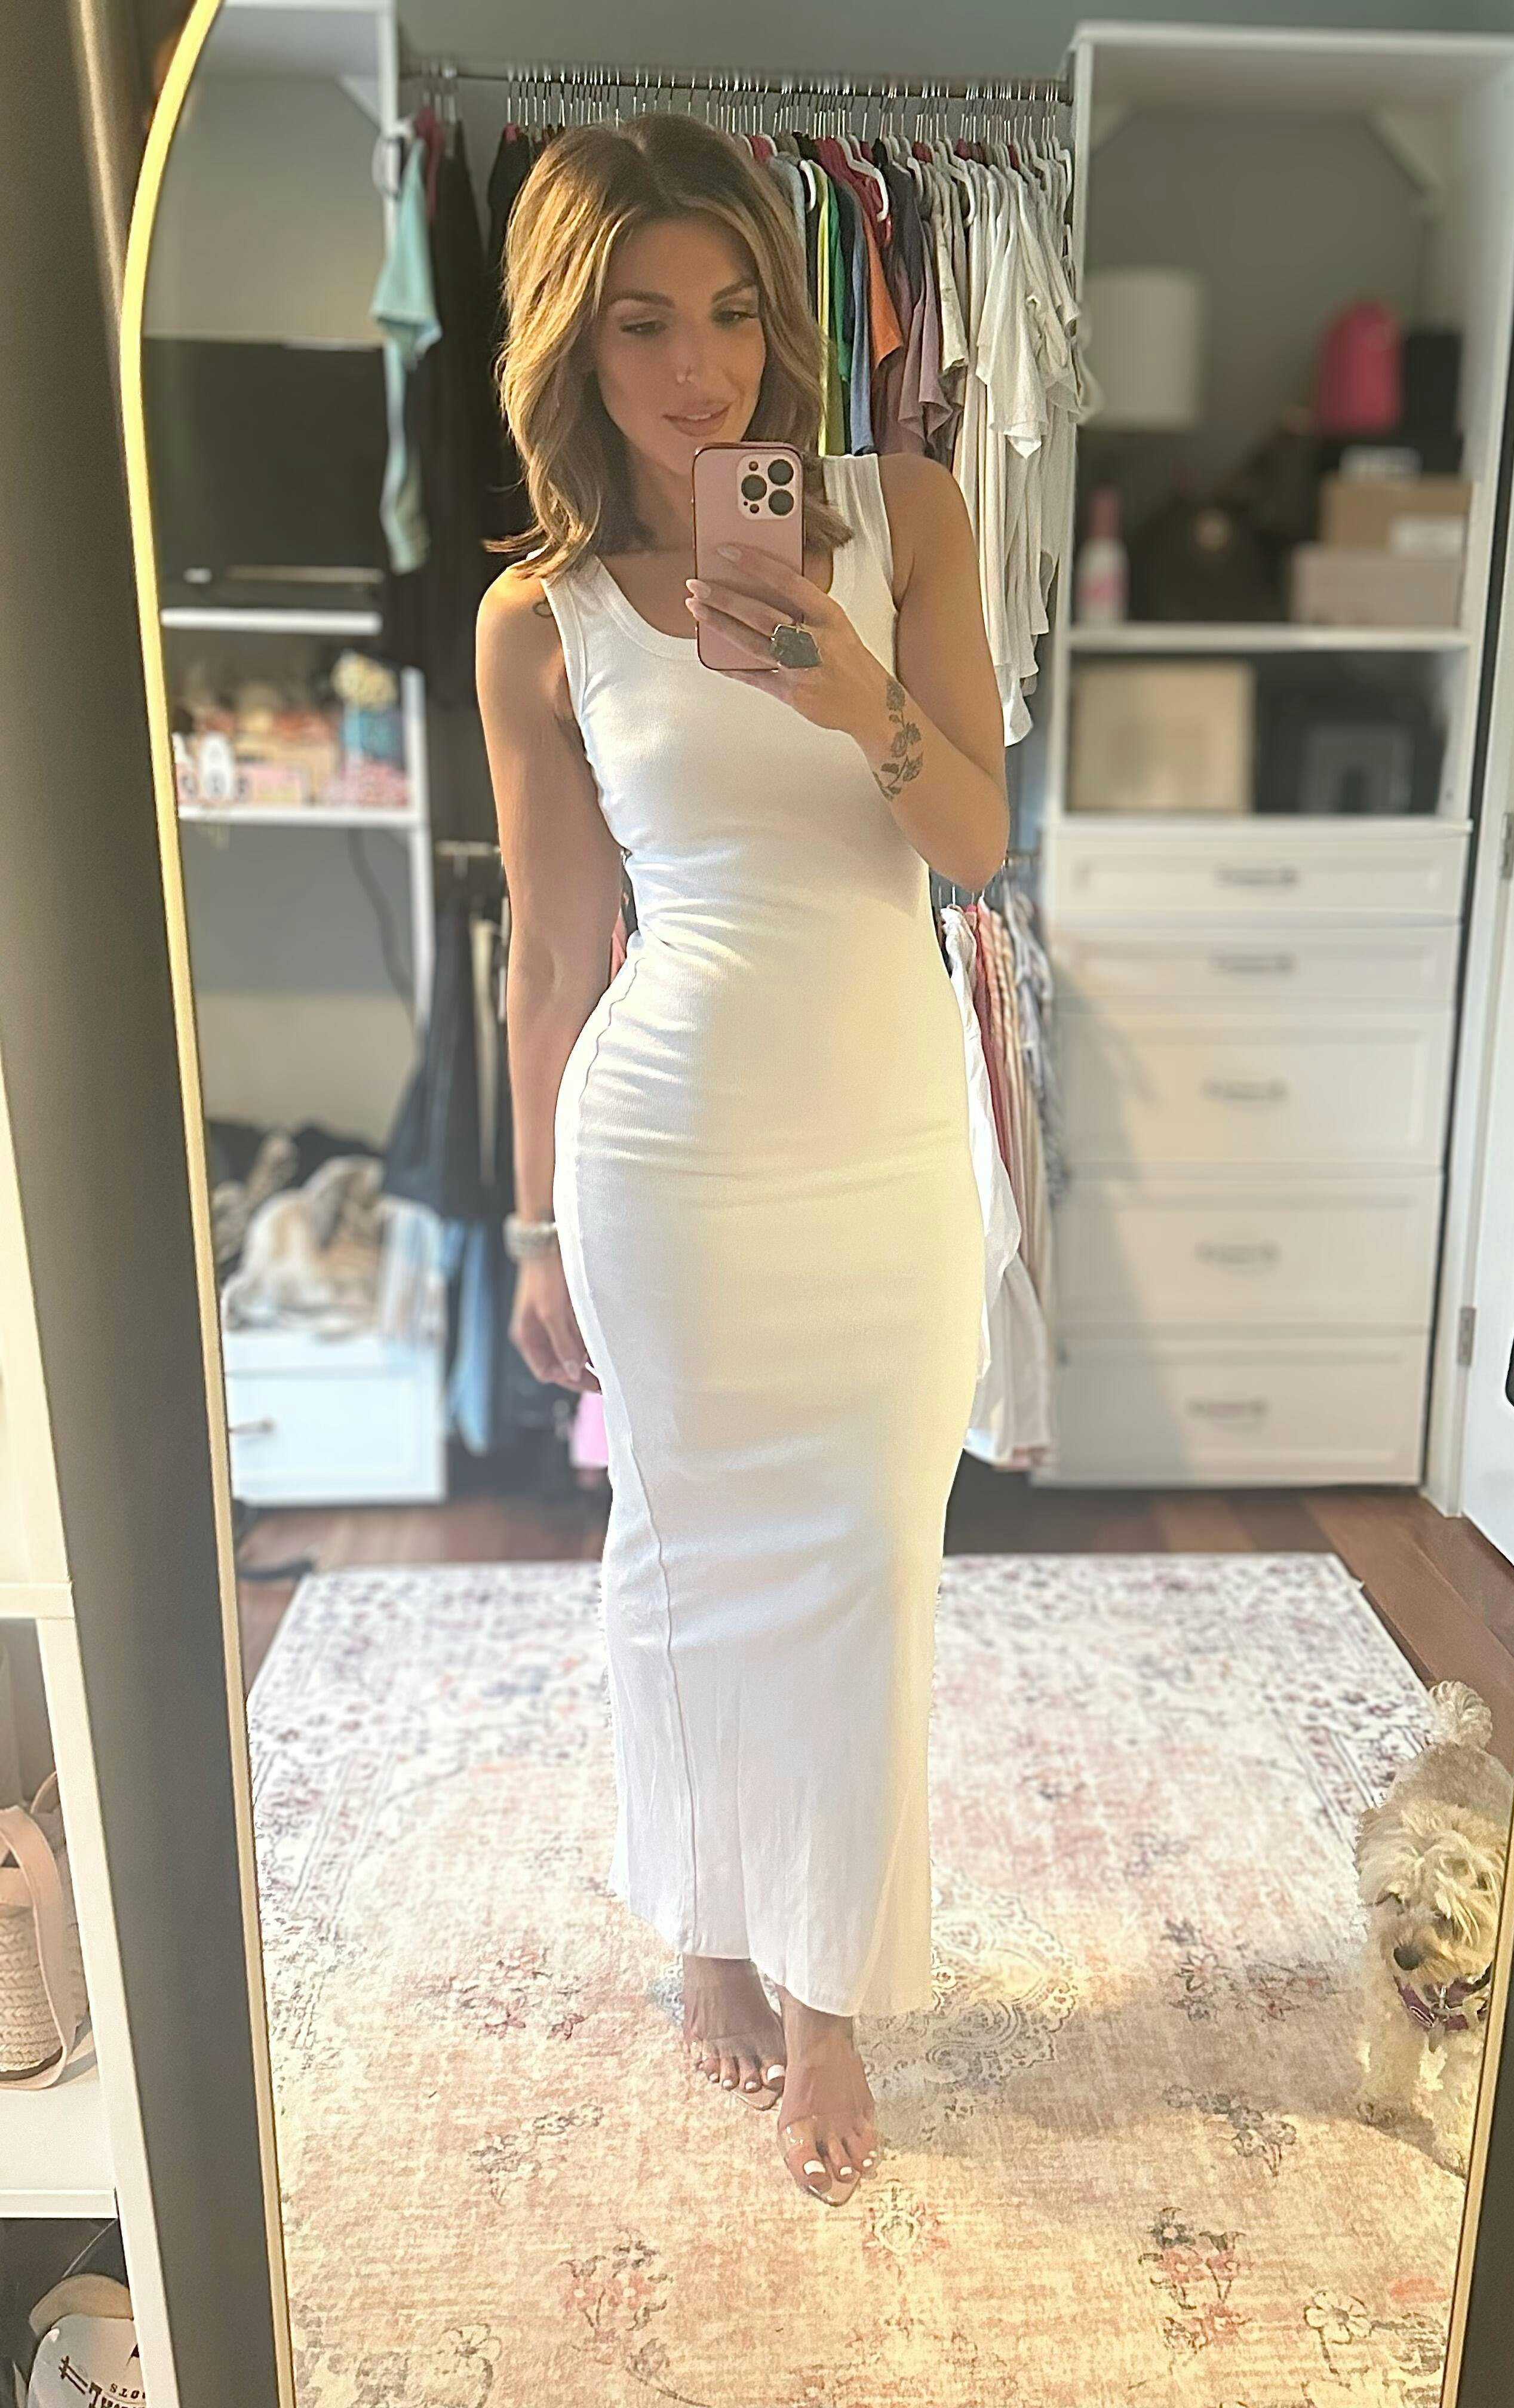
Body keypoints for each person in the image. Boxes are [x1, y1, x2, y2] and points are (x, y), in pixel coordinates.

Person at [474, 113, 1007, 2210]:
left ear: (783, 318)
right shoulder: (542, 620)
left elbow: (970, 844)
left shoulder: (909, 518)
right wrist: (531, 1220)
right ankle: (706, 1915)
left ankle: (826, 1989)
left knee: (871, 1556)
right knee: (682, 1544)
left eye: (727, 314)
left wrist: (846, 676)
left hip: (885, 1131)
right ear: (570, 347)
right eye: (640, 326)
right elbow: (551, 951)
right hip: (666, 1144)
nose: (699, 371)